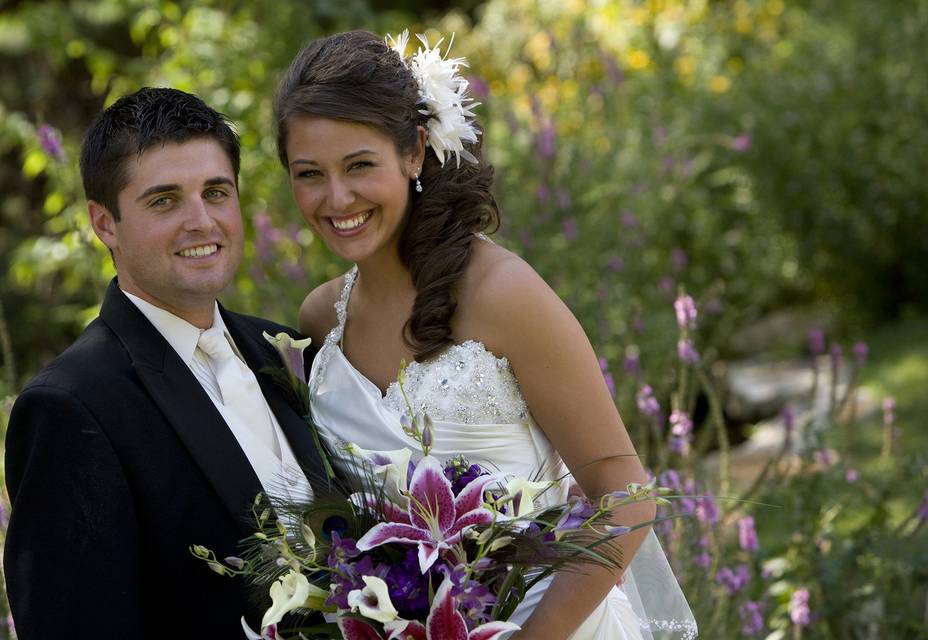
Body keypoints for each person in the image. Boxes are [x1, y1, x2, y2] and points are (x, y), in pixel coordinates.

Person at [273, 31, 696, 639]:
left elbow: (626, 499)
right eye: (308, 173)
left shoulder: (504, 295)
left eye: (360, 165)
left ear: (415, 152)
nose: (337, 198)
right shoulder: (318, 321)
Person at [3, 87, 330, 639]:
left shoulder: (288, 348)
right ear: (105, 223)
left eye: (216, 192)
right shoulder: (69, 408)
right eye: (164, 200)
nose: (202, 221)